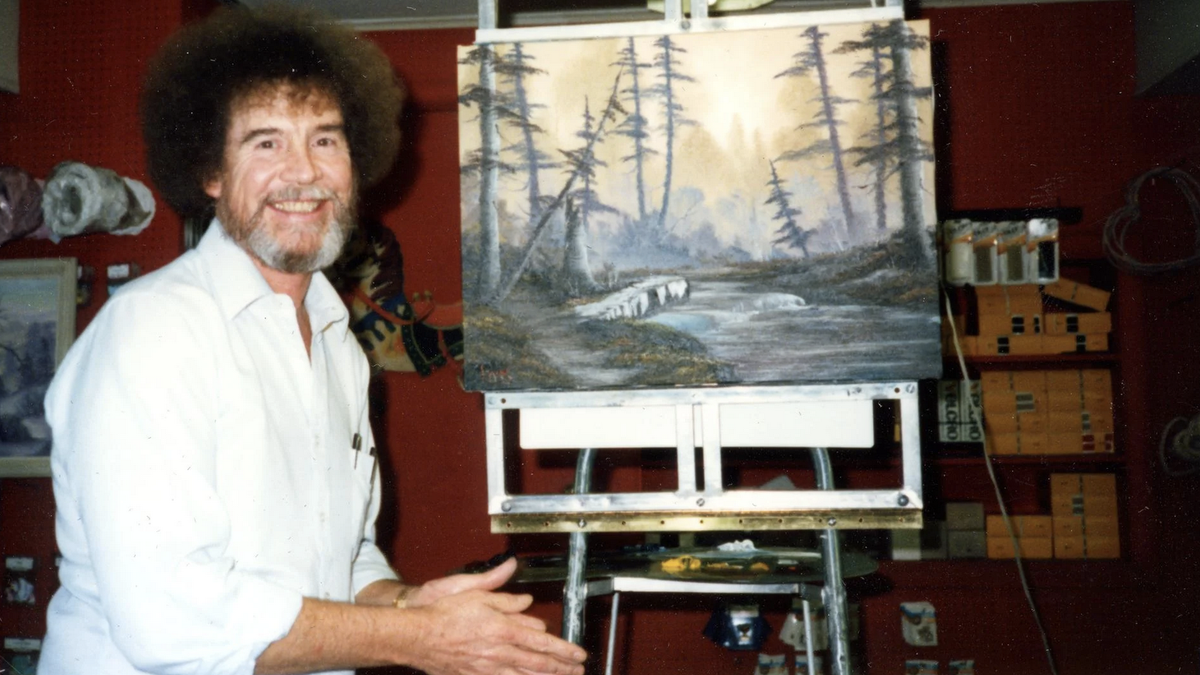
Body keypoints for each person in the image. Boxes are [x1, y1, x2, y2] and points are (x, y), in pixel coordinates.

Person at [39, 7, 588, 675]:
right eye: (266, 143)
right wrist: (420, 638)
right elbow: (173, 621)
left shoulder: (337, 345)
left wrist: (406, 603)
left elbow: (337, 559)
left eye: (325, 140)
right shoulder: (152, 333)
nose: (304, 173)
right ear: (211, 173)